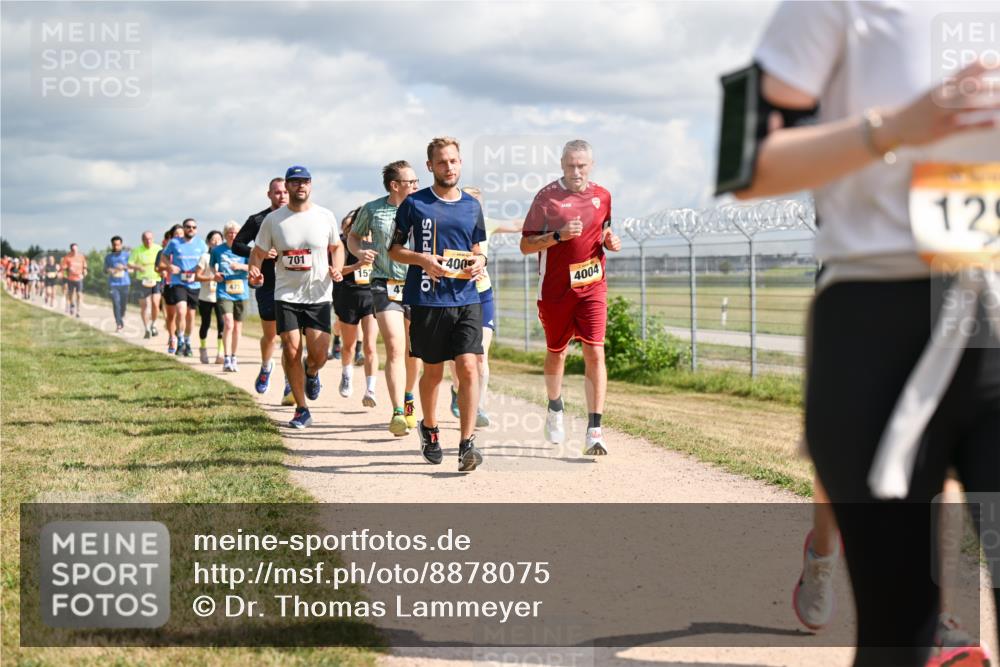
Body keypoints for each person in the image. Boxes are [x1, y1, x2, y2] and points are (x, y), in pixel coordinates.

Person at [733, 3, 999, 664]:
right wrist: (898, 127)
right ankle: (825, 549)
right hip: (878, 321)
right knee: (899, 629)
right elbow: (742, 162)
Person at [388, 137, 488, 472]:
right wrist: (422, 260)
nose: (450, 167)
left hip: (466, 298)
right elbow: (394, 249)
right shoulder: (415, 204)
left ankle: (466, 444)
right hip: (428, 299)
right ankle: (429, 428)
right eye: (442, 162)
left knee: (469, 366)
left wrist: (481, 261)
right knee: (432, 372)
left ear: (461, 163)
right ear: (430, 166)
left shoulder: (472, 206)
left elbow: (478, 247)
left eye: (455, 161)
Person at [520, 139, 622, 456]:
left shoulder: (602, 196)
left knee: (595, 350)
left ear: (591, 165)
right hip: (555, 290)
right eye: (570, 165)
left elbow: (604, 229)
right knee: (557, 352)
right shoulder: (547, 198)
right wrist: (557, 236)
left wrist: (609, 239)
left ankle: (595, 430)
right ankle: (554, 407)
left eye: (582, 165)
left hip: (592, 285)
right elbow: (525, 246)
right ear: (562, 165)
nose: (576, 171)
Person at [249, 165, 344, 429]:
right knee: (291, 350)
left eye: (305, 182)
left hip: (318, 294)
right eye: (295, 182)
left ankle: (311, 371)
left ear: (311, 185)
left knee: (320, 354)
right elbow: (257, 252)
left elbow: (337, 246)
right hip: (286, 294)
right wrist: (254, 271)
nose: (300, 186)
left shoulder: (325, 216)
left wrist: (336, 266)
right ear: (287, 186)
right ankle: (302, 408)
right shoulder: (274, 220)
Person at [348, 160, 422, 436]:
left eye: (417, 181)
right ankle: (398, 412)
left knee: (414, 350)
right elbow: (353, 237)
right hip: (384, 284)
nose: (416, 186)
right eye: (411, 182)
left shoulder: (424, 208)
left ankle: (409, 398)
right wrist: (359, 252)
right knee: (394, 345)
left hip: (417, 284)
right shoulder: (373, 209)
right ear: (395, 185)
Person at [448, 186, 523, 427]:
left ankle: (479, 406)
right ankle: (457, 390)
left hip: (482, 294)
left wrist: (549, 216)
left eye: (478, 202)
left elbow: (516, 223)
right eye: (470, 200)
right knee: (456, 356)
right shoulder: (448, 224)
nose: (474, 206)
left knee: (480, 355)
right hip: (455, 296)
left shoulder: (487, 224)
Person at [233, 177, 291, 399]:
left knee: (289, 337)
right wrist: (260, 253)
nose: (282, 196)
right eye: (277, 192)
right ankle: (267, 366)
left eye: (285, 192)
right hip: (267, 283)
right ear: (269, 195)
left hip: (292, 285)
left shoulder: (300, 218)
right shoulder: (258, 220)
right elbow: (237, 244)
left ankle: (289, 381)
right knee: (270, 336)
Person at [333, 208, 379, 407]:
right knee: (349, 346)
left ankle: (370, 389)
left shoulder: (375, 243)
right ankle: (346, 374)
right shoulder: (344, 244)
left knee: (370, 345)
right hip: (348, 295)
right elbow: (338, 270)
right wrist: (357, 265)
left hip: (371, 296)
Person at [160, 219, 207, 357]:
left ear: (196, 229)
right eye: (188, 227)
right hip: (178, 282)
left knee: (190, 316)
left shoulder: (201, 244)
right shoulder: (174, 242)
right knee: (181, 311)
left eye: (194, 227)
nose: (191, 229)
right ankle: (179, 340)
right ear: (184, 228)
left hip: (194, 284)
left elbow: (206, 259)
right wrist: (169, 265)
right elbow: (164, 256)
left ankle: (187, 341)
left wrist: (203, 273)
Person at [209, 221, 250, 372]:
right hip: (223, 290)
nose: (232, 235)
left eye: (235, 233)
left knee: (238, 327)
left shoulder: (245, 249)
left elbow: (253, 266)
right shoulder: (217, 250)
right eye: (229, 233)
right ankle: (226, 358)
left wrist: (240, 266)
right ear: (225, 235)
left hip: (242, 290)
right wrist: (215, 274)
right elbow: (212, 265)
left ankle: (234, 356)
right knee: (228, 324)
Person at [193, 230, 225, 364]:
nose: (216, 241)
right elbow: (197, 276)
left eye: (219, 239)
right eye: (213, 239)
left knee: (222, 324)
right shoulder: (204, 257)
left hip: (221, 295)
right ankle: (203, 348)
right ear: (208, 242)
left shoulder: (224, 257)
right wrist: (212, 277)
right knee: (205, 324)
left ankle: (220, 353)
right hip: (206, 296)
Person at [128, 231, 162, 339]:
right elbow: (130, 263)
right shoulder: (137, 250)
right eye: (146, 239)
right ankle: (147, 328)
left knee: (156, 304)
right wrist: (138, 267)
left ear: (153, 238)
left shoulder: (158, 248)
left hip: (156, 279)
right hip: (142, 281)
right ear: (142, 240)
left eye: (150, 238)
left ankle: (153, 324)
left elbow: (164, 261)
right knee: (144, 306)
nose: (148, 241)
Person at [157, 225, 183, 351]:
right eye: (176, 234)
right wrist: (168, 268)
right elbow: (158, 267)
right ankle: (172, 337)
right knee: (171, 315)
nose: (179, 236)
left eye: (181, 233)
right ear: (171, 236)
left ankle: (181, 336)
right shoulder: (164, 251)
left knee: (182, 313)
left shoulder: (186, 249)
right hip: (169, 284)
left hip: (184, 285)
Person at [104, 235, 131, 333]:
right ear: (112, 245)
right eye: (114, 245)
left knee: (123, 305)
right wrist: (110, 270)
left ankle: (121, 317)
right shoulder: (108, 257)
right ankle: (118, 323)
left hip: (125, 283)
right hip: (113, 284)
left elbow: (131, 267)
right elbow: (105, 270)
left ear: (121, 245)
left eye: (118, 245)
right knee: (116, 303)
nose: (116, 247)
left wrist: (124, 267)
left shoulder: (127, 255)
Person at [60, 243, 88, 317]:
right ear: (71, 250)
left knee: (79, 294)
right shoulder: (67, 257)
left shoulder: (81, 257)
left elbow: (84, 266)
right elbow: (63, 267)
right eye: (73, 249)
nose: (75, 251)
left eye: (76, 249)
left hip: (79, 278)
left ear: (77, 249)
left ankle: (78, 310)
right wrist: (68, 269)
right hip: (70, 279)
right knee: (71, 294)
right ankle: (72, 304)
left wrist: (85, 271)